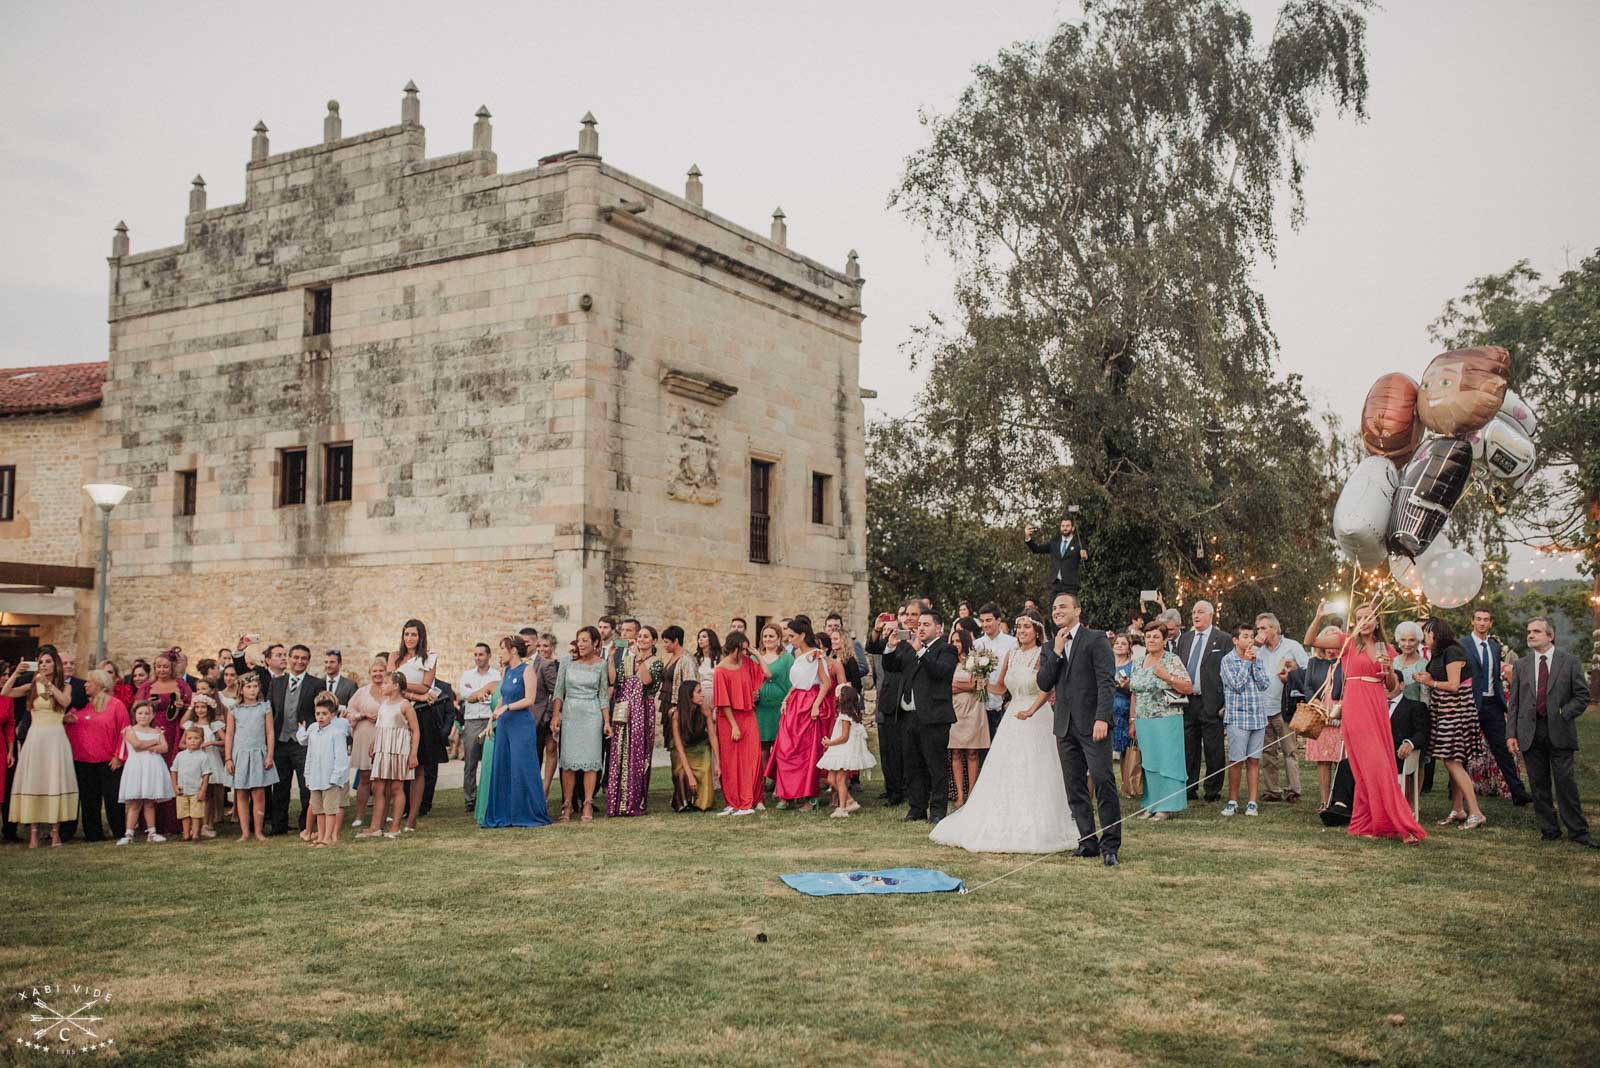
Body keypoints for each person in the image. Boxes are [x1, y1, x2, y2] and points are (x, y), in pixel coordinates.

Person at [931, 613, 1076, 853]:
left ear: (1037, 631)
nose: (1021, 631)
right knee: (1006, 766)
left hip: (1036, 715)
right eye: (1019, 627)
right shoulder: (1012, 654)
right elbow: (1000, 688)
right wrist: (982, 681)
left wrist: (1031, 710)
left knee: (1036, 767)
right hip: (1012, 716)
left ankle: (1038, 819)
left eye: (1027, 627)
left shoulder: (1042, 654)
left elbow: (1046, 686)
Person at [1315, 605, 1424, 843]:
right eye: (1360, 618)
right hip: (1355, 703)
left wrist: (1388, 672)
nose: (1364, 622)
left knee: (1370, 768)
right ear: (1355, 621)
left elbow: (1393, 687)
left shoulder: (1387, 648)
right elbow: (1311, 639)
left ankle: (1366, 822)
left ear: (1377, 622)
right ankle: (1399, 824)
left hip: (1376, 703)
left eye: (1369, 618)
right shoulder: (1347, 642)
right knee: (1377, 766)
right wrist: (1318, 617)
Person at [1037, 594, 1121, 865]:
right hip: (1064, 725)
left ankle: (1110, 845)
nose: (1057, 611)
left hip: (1093, 724)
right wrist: (1058, 653)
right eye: (1053, 608)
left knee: (1103, 780)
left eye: (1063, 606)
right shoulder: (1051, 646)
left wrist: (1102, 718)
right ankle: (1087, 841)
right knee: (1074, 787)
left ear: (1077, 610)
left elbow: (1106, 681)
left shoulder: (1095, 639)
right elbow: (1043, 682)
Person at [1506, 617, 1595, 848]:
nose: (1531, 635)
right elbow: (1514, 702)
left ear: (1550, 636)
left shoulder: (1570, 662)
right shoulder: (1522, 665)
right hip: (1529, 732)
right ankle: (1549, 829)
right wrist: (1511, 734)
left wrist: (1564, 712)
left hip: (1559, 729)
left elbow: (1582, 696)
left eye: (1536, 631)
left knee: (1565, 783)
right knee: (1538, 783)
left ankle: (1578, 832)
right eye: (1528, 631)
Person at [883, 606, 959, 826]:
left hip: (933, 717)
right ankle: (916, 808)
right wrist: (890, 646)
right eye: (919, 625)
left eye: (926, 625)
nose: (921, 628)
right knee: (912, 765)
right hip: (908, 716)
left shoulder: (946, 649)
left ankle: (937, 811)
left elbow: (939, 672)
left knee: (935, 766)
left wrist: (920, 652)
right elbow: (891, 666)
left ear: (939, 628)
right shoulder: (910, 648)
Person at [3, 648, 78, 848]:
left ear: (55, 665)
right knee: (34, 781)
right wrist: (16, 674)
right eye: (41, 662)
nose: (44, 665)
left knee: (55, 781)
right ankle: (34, 833)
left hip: (56, 739)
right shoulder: (32, 686)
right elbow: (5, 692)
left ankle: (55, 833)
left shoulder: (65, 686)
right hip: (35, 738)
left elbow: (64, 702)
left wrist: (50, 685)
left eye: (48, 662)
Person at [1418, 617, 1486, 829]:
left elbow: (1455, 685)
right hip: (1443, 711)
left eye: (1426, 633)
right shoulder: (1438, 654)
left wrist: (1431, 682)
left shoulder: (1454, 652)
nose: (1424, 637)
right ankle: (1458, 809)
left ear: (1436, 633)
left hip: (1456, 711)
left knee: (1452, 761)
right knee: (1453, 760)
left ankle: (1476, 812)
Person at [1460, 608, 1532, 805]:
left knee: (1502, 749)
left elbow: (1495, 675)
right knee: (1464, 749)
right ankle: (1456, 793)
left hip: (1493, 704)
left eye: (1486, 620)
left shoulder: (1493, 646)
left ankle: (1518, 793)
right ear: (1472, 621)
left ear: (1490, 623)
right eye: (1478, 619)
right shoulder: (1462, 644)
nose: (1482, 623)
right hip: (1471, 702)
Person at [1129, 620, 1192, 822]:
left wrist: (1167, 677)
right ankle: (1152, 803)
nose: (1151, 640)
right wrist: (1132, 719)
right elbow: (1134, 692)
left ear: (1164, 640)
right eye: (1148, 636)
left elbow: (1188, 687)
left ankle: (1168, 806)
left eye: (1156, 636)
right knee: (1150, 762)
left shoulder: (1171, 660)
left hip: (1166, 718)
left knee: (1168, 761)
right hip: (1143, 719)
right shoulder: (1139, 661)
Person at [767, 618, 833, 809]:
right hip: (795, 702)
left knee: (805, 750)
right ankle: (787, 794)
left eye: (792, 636)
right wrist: (787, 698)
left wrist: (816, 705)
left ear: (802, 635)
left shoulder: (816, 655)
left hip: (808, 703)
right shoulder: (797, 655)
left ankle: (809, 796)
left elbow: (825, 683)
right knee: (786, 748)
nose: (789, 640)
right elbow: (796, 683)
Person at [1283, 624, 1346, 809]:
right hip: (1319, 712)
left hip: (1341, 712)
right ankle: (1325, 801)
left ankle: (1341, 800)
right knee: (1323, 760)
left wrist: (1339, 709)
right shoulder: (1313, 662)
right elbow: (1308, 686)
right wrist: (1317, 703)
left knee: (1341, 760)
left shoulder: (1346, 662)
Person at [551, 626, 609, 823]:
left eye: (585, 640)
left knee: (591, 762)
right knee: (567, 762)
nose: (582, 644)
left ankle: (587, 803)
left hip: (592, 715)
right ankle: (567, 804)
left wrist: (607, 721)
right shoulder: (567, 663)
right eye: (579, 640)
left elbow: (602, 695)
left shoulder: (602, 665)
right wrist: (556, 715)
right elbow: (559, 691)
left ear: (595, 643)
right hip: (570, 713)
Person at [606, 625, 663, 818]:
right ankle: (618, 802)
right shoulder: (627, 659)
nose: (641, 639)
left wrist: (639, 656)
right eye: (639, 636)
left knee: (638, 753)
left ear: (654, 641)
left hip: (642, 711)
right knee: (620, 752)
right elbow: (616, 681)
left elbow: (645, 680)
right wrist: (612, 658)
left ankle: (634, 801)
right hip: (624, 709)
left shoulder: (656, 662)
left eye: (646, 636)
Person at [67, 669, 130, 843]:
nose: (85, 684)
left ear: (100, 684)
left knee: (113, 798)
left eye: (89, 682)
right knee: (88, 798)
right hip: (82, 760)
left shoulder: (116, 705)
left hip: (109, 760)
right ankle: (93, 834)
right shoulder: (79, 705)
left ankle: (119, 831)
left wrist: (119, 756)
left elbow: (125, 732)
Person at [1173, 601, 1227, 803]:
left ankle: (1212, 790)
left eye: (1200, 612)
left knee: (1214, 748)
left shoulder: (1222, 639)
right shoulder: (1185, 639)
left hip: (1212, 701)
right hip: (1188, 702)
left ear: (1211, 615)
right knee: (1189, 747)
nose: (1196, 615)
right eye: (1193, 612)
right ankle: (1189, 787)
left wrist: (1224, 703)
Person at [391, 620, 442, 828]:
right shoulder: (395, 657)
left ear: (421, 636)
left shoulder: (429, 659)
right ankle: (396, 812)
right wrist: (411, 692)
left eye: (413, 634)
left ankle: (413, 816)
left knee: (419, 766)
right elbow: (389, 682)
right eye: (406, 634)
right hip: (396, 712)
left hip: (420, 714)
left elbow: (425, 687)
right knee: (397, 765)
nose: (409, 638)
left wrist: (406, 689)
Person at [713, 631, 769, 817]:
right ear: (734, 648)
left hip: (748, 715)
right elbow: (723, 701)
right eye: (743, 650)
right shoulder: (720, 670)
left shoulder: (746, 663)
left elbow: (767, 674)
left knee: (752, 758)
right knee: (731, 761)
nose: (745, 653)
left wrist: (757, 654)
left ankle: (751, 799)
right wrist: (734, 726)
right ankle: (733, 801)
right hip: (729, 719)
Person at [1252, 613, 1307, 804]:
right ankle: (1272, 790)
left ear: (1275, 629)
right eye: (1258, 628)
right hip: (1262, 706)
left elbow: (1306, 671)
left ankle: (1293, 790)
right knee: (1268, 751)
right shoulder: (1257, 650)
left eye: (1264, 628)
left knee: (1290, 750)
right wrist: (1254, 646)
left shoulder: (1292, 646)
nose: (1260, 632)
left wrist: (1291, 673)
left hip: (1284, 707)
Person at [135, 652, 192, 835]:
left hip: (173, 730)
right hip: (151, 731)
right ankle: (151, 823)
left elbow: (191, 704)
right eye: (159, 666)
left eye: (166, 666)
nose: (162, 670)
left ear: (172, 667)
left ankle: (172, 822)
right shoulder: (146, 686)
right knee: (152, 771)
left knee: (171, 771)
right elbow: (136, 708)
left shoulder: (181, 685)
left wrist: (182, 706)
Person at [361, 671, 420, 840]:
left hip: (399, 749)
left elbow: (415, 731)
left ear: (396, 686)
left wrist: (413, 754)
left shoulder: (405, 705)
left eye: (386, 683)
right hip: (383, 748)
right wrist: (374, 742)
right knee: (378, 787)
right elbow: (380, 726)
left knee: (396, 787)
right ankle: (375, 827)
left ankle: (394, 827)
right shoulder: (384, 704)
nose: (383, 686)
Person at [268, 644, 319, 836]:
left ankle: (306, 825)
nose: (299, 661)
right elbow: (270, 711)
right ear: (289, 659)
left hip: (303, 744)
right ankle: (278, 826)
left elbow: (318, 712)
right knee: (280, 786)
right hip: (281, 741)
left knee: (306, 785)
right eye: (296, 657)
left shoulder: (315, 683)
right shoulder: (277, 683)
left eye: (303, 658)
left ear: (308, 661)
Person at [1219, 624, 1270, 817]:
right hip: (1237, 718)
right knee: (1236, 760)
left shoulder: (1258, 658)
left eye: (1252, 637)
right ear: (1235, 640)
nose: (1250, 640)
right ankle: (1232, 800)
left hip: (1257, 716)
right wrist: (1247, 663)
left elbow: (1264, 684)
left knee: (1254, 760)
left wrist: (1254, 663)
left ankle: (1252, 802)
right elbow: (1237, 685)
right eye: (1246, 637)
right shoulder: (1227, 660)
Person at [663, 626, 714, 812]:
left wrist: (685, 705)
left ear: (676, 641)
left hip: (685, 708)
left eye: (667, 641)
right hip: (676, 710)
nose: (664, 645)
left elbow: (690, 684)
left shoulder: (687, 660)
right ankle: (682, 798)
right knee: (678, 759)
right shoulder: (671, 658)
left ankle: (698, 799)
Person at [864, 606, 910, 806]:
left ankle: (903, 790)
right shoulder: (883, 645)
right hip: (886, 702)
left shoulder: (905, 645)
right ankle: (891, 789)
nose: (888, 634)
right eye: (885, 630)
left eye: (892, 630)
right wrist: (875, 630)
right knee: (887, 750)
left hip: (904, 702)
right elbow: (872, 647)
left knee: (903, 751)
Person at [224, 674, 278, 842]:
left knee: (259, 793)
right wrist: (228, 758)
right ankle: (245, 832)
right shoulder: (234, 709)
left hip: (258, 754)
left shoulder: (264, 707)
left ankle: (258, 831)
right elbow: (230, 734)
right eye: (248, 687)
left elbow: (270, 732)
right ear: (241, 689)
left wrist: (269, 755)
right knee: (241, 793)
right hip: (240, 754)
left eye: (255, 686)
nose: (252, 690)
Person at [298, 692, 352, 845]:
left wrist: (335, 778)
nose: (320, 717)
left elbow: (341, 759)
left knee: (330, 810)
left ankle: (328, 837)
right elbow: (309, 756)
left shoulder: (337, 733)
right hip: (316, 778)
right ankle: (320, 836)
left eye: (324, 714)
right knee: (318, 810)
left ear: (332, 715)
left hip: (330, 779)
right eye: (318, 714)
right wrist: (307, 776)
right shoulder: (314, 731)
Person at [117, 700, 174, 844]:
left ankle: (152, 832)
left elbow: (165, 747)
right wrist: (154, 743)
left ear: (153, 715)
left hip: (152, 767)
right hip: (137, 767)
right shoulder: (129, 730)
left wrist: (153, 744)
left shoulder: (157, 731)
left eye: (147, 713)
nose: (143, 716)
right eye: (140, 713)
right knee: (135, 803)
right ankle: (129, 834)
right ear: (135, 715)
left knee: (149, 802)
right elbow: (136, 746)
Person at [946, 626, 990, 809]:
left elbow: (978, 685)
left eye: (958, 641)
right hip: (954, 709)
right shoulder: (948, 662)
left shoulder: (976, 661)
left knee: (972, 752)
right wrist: (967, 685)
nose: (956, 644)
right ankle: (960, 795)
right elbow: (946, 686)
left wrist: (958, 685)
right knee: (955, 751)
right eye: (953, 641)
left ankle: (972, 793)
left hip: (973, 709)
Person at [456, 643, 501, 814]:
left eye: (481, 654)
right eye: (475, 654)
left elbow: (493, 693)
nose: (477, 658)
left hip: (491, 719)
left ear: (489, 656)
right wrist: (478, 694)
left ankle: (490, 795)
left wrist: (476, 693)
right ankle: (470, 799)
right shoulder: (467, 675)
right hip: (472, 721)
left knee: (491, 760)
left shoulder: (497, 675)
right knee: (470, 762)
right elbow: (465, 695)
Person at [818, 684, 875, 817]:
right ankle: (849, 800)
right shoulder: (849, 714)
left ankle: (842, 808)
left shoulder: (845, 716)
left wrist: (829, 742)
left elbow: (844, 737)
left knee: (840, 779)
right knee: (831, 779)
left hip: (844, 751)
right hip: (838, 751)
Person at [345, 655, 387, 829]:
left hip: (384, 735)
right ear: (370, 673)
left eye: (381, 671)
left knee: (384, 777)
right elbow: (349, 711)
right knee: (364, 777)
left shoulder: (390, 690)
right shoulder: (361, 692)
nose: (378, 674)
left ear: (386, 673)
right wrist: (362, 715)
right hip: (364, 734)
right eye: (374, 671)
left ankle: (384, 814)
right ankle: (360, 816)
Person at [1390, 621, 1431, 799]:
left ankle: (1413, 801)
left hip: (1416, 716)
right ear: (1398, 641)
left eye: (1412, 640)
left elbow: (1426, 696)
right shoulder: (1393, 662)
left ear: (1418, 641)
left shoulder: (1424, 664)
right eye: (1403, 640)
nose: (1407, 644)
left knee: (1418, 762)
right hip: (1394, 715)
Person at [181, 689, 228, 837]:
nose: (200, 710)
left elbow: (226, 740)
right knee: (197, 794)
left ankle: (208, 824)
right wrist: (192, 746)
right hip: (194, 763)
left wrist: (211, 742)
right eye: (197, 707)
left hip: (210, 760)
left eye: (203, 707)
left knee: (209, 794)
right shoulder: (191, 726)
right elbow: (181, 744)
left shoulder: (214, 725)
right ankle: (197, 823)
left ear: (209, 709)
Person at [974, 602, 1019, 744]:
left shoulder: (1012, 643)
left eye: (989, 620)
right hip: (981, 705)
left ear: (998, 621)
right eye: (982, 621)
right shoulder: (977, 644)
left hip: (1004, 702)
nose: (985, 624)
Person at [753, 622, 793, 781]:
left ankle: (779, 780)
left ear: (778, 638)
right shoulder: (755, 657)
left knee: (779, 744)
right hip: (760, 706)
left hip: (779, 705)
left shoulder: (787, 658)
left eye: (771, 636)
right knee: (762, 745)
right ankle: (763, 780)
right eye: (765, 636)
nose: (767, 639)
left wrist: (788, 700)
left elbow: (793, 681)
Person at [1024, 517, 1089, 601]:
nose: (1065, 528)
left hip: (1071, 586)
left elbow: (1087, 562)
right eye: (1063, 526)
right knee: (1054, 611)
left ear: (1072, 528)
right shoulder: (1054, 543)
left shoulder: (1079, 543)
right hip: (1054, 585)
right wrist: (1028, 537)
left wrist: (1085, 557)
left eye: (1067, 526)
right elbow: (1036, 549)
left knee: (1069, 611)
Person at [170, 726, 211, 843]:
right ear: (185, 740)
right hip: (182, 790)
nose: (192, 741)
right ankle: (186, 834)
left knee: (195, 814)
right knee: (184, 813)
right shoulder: (180, 756)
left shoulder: (203, 757)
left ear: (202, 740)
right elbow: (173, 771)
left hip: (196, 791)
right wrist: (174, 786)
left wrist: (203, 791)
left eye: (196, 738)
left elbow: (206, 775)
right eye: (189, 738)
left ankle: (195, 835)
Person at [1111, 635, 1136, 796]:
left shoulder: (1132, 666)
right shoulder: (1107, 665)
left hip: (1125, 710)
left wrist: (1126, 686)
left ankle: (1128, 783)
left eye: (1123, 643)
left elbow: (1134, 689)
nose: (1120, 646)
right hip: (1109, 709)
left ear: (1129, 648)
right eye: (1117, 643)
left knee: (1126, 750)